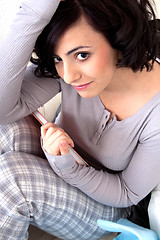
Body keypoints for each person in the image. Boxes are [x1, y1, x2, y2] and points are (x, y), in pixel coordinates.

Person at [0, 0, 160, 239]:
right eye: (57, 58)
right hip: (61, 153)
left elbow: (127, 192)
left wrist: (67, 166)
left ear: (117, 38)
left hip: (110, 204)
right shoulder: (68, 71)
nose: (69, 75)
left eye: (82, 55)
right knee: (7, 127)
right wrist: (33, 14)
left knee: (11, 183)